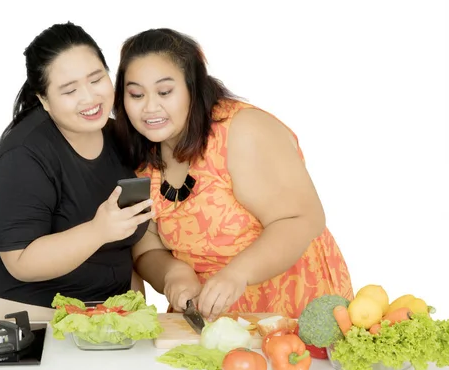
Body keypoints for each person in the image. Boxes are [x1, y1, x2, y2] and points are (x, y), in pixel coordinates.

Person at [113, 28, 354, 321]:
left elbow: (303, 219)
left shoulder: (241, 131)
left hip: (293, 304)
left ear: (193, 85)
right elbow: (145, 246)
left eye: (165, 92)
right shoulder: (134, 153)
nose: (150, 107)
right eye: (136, 94)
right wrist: (172, 274)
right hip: (207, 315)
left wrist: (238, 274)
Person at [0, 22, 153, 321]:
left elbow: (125, 240)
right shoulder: (23, 155)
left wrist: (134, 305)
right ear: (43, 99)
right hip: (19, 314)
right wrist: (98, 230)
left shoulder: (119, 136)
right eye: (70, 90)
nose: (89, 98)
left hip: (100, 315)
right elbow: (21, 261)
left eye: (96, 79)